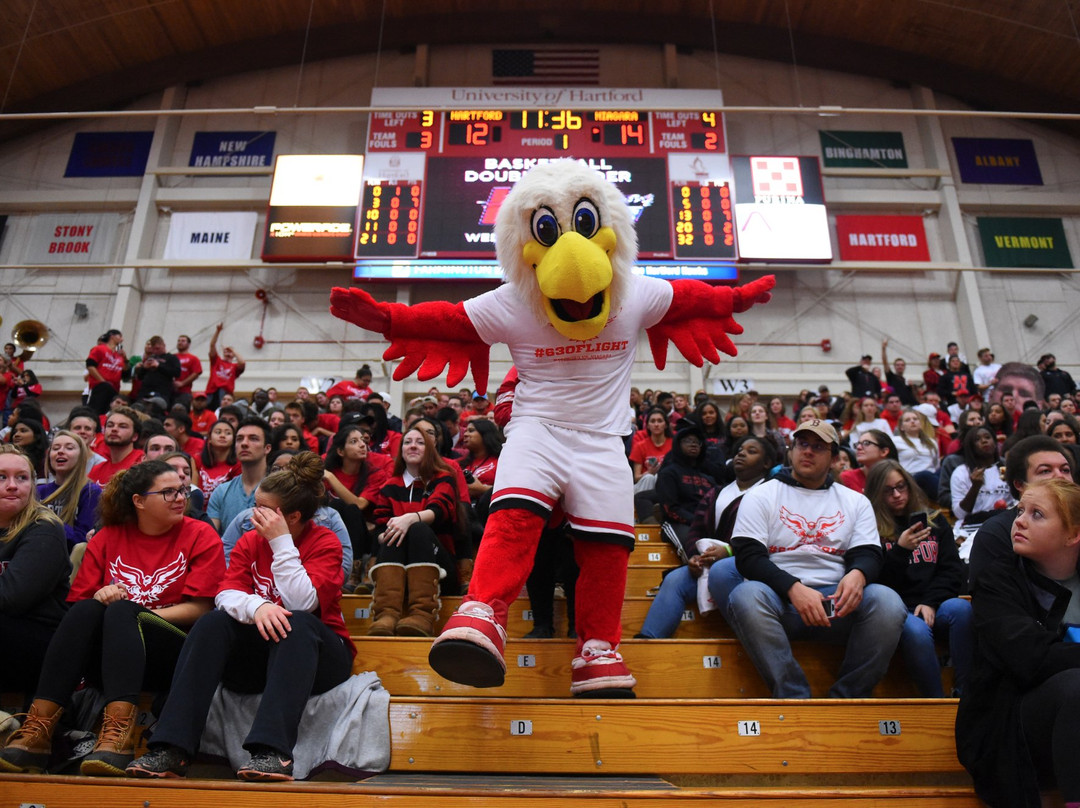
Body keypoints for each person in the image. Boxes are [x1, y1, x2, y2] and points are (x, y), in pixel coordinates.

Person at [125, 452, 354, 782]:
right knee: (213, 622)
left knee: (298, 622)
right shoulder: (249, 541)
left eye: (263, 508)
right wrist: (257, 607)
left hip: (319, 661)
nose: (252, 514)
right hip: (260, 660)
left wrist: (281, 544)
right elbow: (225, 594)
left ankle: (272, 752)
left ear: (291, 517)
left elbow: (303, 602)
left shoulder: (324, 542)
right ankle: (172, 748)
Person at [0, 460, 224, 776]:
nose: (180, 498)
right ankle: (38, 728)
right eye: (168, 492)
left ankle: (117, 736)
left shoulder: (200, 533)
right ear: (139, 501)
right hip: (110, 656)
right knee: (88, 608)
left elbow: (201, 608)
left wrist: (135, 612)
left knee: (121, 611)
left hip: (173, 653)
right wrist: (100, 596)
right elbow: (80, 608)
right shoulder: (108, 536)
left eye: (182, 490)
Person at [723, 419, 907, 698]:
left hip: (838, 603)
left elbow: (869, 553)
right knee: (745, 595)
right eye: (802, 444)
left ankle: (847, 697)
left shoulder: (855, 501)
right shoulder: (761, 495)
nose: (807, 451)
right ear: (791, 450)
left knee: (888, 602)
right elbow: (748, 556)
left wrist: (858, 574)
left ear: (834, 458)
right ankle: (794, 696)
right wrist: (793, 588)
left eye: (818, 447)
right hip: (779, 600)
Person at [956, 478, 1080, 807]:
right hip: (1009, 729)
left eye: (1036, 514)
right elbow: (1030, 658)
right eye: (1020, 510)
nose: (1019, 521)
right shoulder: (996, 577)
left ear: (1073, 534)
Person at [638, 436, 775, 638]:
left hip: (752, 568)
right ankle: (648, 640)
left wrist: (729, 551)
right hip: (710, 564)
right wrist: (694, 556)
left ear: (767, 463)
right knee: (675, 579)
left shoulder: (773, 494)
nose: (742, 453)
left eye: (751, 451)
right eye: (739, 450)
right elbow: (697, 529)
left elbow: (774, 538)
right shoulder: (717, 492)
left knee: (724, 571)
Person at [865, 460, 972, 697]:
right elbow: (877, 583)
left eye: (901, 486)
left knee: (962, 609)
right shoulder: (870, 527)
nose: (897, 494)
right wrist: (901, 550)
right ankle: (935, 701)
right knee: (916, 630)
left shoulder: (934, 521)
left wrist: (932, 601)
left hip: (936, 603)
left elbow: (952, 570)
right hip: (898, 609)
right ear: (876, 494)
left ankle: (966, 694)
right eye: (888, 490)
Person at [368, 426, 460, 636]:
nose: (413, 446)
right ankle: (387, 614)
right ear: (400, 450)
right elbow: (379, 531)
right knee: (392, 534)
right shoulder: (389, 486)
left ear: (429, 449)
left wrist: (409, 519)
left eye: (420, 442)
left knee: (417, 528)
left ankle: (422, 614)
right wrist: (395, 528)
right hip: (399, 568)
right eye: (408, 442)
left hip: (441, 570)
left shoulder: (443, 478)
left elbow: (439, 510)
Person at [0, 446, 70, 697]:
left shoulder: (45, 528)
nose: (12, 485)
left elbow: (12, 598)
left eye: (22, 477)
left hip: (40, 640)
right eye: (2, 477)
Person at [967, 435, 1074, 590]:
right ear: (1019, 484)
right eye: (1045, 471)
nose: (1060, 476)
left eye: (1065, 470)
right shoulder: (995, 533)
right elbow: (995, 605)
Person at [656, 421, 716, 561]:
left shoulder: (709, 478)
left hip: (705, 525)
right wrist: (697, 522)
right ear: (678, 445)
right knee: (695, 550)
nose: (693, 444)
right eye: (688, 441)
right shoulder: (668, 473)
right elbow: (670, 508)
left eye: (697, 442)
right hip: (677, 523)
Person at [37, 430, 102, 548]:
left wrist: (47, 519)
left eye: (69, 448)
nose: (60, 451)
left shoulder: (91, 492)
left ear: (81, 457)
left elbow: (82, 539)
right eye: (56, 448)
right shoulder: (39, 491)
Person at [207, 417, 271, 532]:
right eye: (239, 439)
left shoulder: (279, 490)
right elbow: (210, 536)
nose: (244, 444)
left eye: (253, 439)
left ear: (267, 448)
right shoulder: (221, 492)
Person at [951, 426, 1015, 538]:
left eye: (987, 437)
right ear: (971, 447)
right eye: (977, 439)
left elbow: (1018, 503)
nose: (984, 440)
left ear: (995, 443)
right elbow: (960, 514)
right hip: (972, 527)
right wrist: (975, 487)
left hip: (1004, 524)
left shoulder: (1007, 469)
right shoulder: (961, 472)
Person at [88, 406, 145, 485]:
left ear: (135, 436)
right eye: (110, 425)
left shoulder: (143, 462)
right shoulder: (96, 470)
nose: (114, 429)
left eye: (122, 426)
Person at [893, 407, 940, 500]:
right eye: (907, 420)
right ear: (901, 427)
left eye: (915, 419)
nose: (912, 421)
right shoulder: (895, 441)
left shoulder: (931, 442)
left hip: (931, 478)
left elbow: (936, 464)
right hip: (910, 478)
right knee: (924, 475)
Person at [839, 429, 897, 494]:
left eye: (866, 443)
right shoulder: (847, 477)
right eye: (858, 444)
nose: (858, 447)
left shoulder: (898, 478)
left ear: (884, 452)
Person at [458, 419, 502, 503]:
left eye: (471, 431)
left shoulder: (502, 461)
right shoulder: (459, 463)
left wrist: (482, 489)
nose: (465, 434)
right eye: (466, 431)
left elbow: (508, 490)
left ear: (486, 434)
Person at [205, 323, 245, 411]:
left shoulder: (234, 367)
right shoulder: (216, 361)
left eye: (230, 352)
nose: (228, 353)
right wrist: (217, 331)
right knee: (206, 412)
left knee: (223, 411)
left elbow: (242, 362)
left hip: (225, 393)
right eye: (226, 351)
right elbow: (212, 345)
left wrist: (233, 351)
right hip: (211, 391)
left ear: (233, 355)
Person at [86, 330, 127, 416]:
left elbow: (125, 373)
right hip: (100, 387)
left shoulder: (119, 355)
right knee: (94, 412)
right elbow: (90, 366)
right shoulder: (99, 349)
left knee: (108, 415)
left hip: (114, 389)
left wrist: (125, 358)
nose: (122, 339)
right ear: (112, 336)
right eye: (120, 336)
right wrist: (103, 382)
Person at [132, 336, 181, 407]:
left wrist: (159, 366)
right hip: (145, 391)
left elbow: (177, 373)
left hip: (161, 392)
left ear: (163, 345)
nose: (155, 351)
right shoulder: (151, 358)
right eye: (153, 349)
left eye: (157, 348)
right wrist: (144, 368)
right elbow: (139, 377)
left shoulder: (172, 358)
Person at [198, 419, 239, 497]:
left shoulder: (238, 465)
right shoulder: (197, 460)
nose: (222, 436)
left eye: (228, 433)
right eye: (218, 432)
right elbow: (193, 491)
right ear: (209, 438)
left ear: (234, 440)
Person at [172, 334, 203, 410]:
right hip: (170, 390)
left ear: (188, 344)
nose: (180, 342)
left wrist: (182, 383)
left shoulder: (193, 358)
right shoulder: (172, 357)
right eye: (179, 341)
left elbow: (197, 372)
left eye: (183, 341)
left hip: (185, 392)